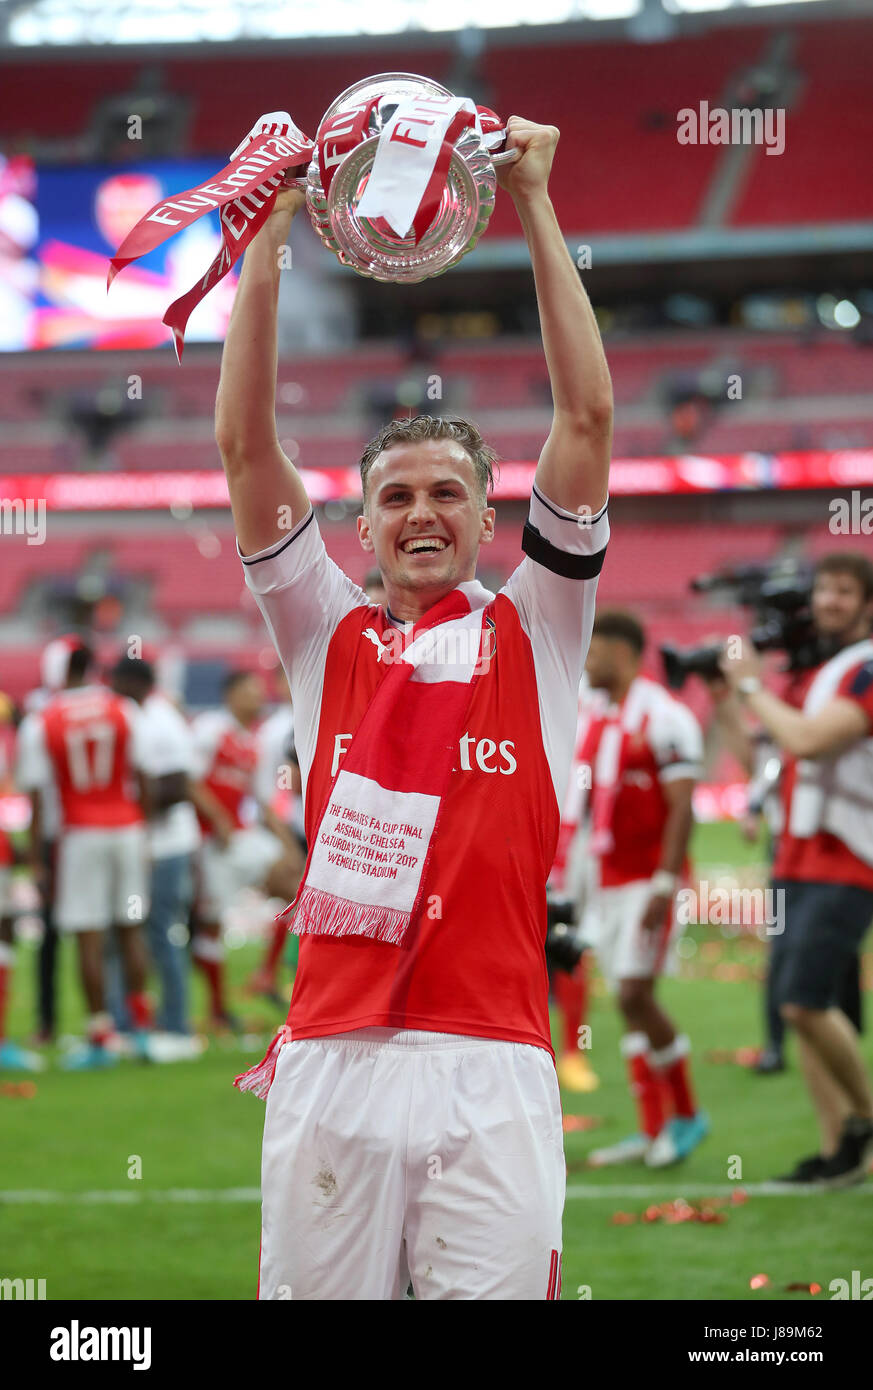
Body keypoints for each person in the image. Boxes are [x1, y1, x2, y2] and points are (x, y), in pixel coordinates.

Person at [216, 112, 612, 1299]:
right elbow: (245, 453)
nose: (423, 512)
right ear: (364, 524)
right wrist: (269, 237)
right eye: (396, 497)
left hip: (487, 1064)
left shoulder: (537, 627)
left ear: (496, 520)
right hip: (332, 1061)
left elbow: (586, 421)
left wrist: (537, 200)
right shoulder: (322, 629)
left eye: (450, 492)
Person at [719, 551, 873, 1187]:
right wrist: (728, 695)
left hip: (847, 861)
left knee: (805, 1003)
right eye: (825, 589)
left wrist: (752, 684)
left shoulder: (863, 671)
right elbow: (762, 762)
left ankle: (864, 1123)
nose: (829, 601)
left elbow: (809, 742)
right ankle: (841, 1151)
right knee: (799, 1010)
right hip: (799, 857)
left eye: (845, 590)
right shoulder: (822, 674)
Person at [578, 611, 709, 1168]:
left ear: (622, 651)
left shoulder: (665, 716)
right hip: (604, 881)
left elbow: (683, 806)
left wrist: (664, 880)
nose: (587, 662)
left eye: (594, 650)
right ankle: (651, 1129)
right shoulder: (598, 716)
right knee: (627, 1004)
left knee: (635, 994)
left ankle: (686, 1114)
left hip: (650, 883)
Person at [22, 643, 153, 1068]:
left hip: (81, 836)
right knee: (132, 927)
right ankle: (142, 1032)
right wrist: (143, 830)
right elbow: (144, 775)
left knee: (89, 935)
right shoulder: (122, 709)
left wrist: (38, 859)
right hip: (127, 830)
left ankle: (101, 1035)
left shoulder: (44, 720)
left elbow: (39, 797)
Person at [189, 669, 302, 1029]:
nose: (258, 697)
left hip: (240, 838)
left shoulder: (251, 741)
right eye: (251, 691)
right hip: (208, 841)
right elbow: (188, 780)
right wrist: (218, 818)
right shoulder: (210, 729)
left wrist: (287, 846)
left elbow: (263, 799)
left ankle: (273, 975)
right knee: (210, 924)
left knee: (297, 886)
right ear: (232, 695)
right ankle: (218, 1010)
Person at [109, 655, 203, 1059]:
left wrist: (131, 803)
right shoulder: (139, 715)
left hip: (164, 848)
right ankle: (129, 1022)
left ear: (133, 682)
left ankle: (175, 1022)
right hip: (146, 845)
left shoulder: (161, 722)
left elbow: (180, 786)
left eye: (117, 683)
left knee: (159, 932)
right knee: (130, 930)